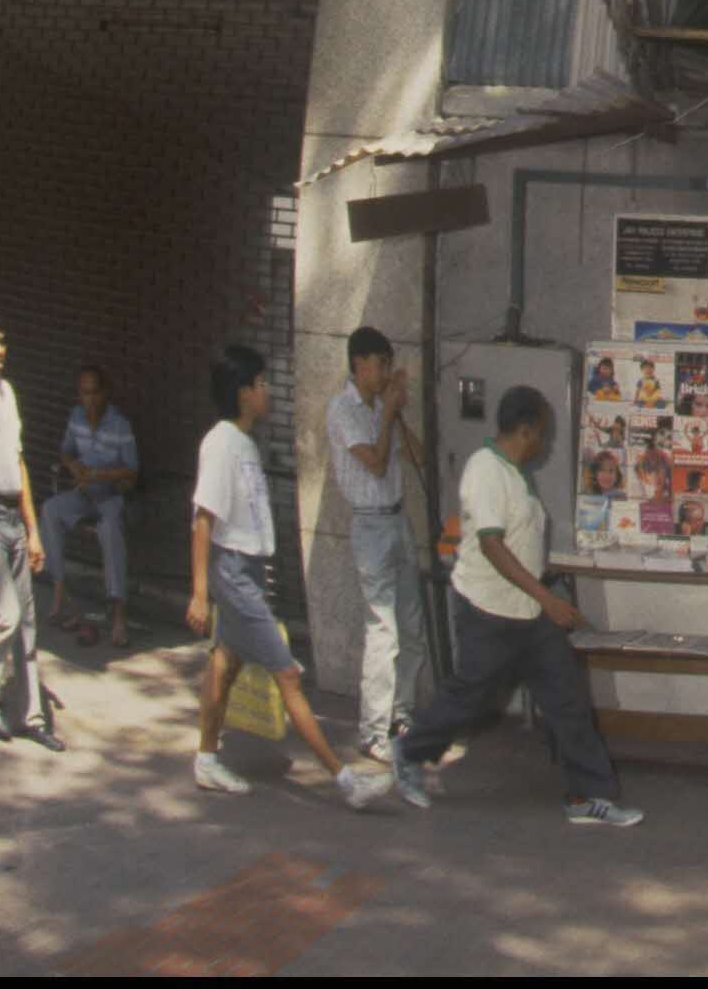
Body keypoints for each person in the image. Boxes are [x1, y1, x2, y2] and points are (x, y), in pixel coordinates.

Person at [388, 385, 643, 825]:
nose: (543, 444)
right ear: (524, 431)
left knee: (567, 700)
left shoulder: (515, 472)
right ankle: (410, 752)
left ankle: (589, 797)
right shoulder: (484, 470)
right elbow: (491, 544)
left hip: (528, 613)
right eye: (541, 434)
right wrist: (548, 598)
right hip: (487, 610)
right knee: (471, 697)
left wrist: (543, 599)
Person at [187, 346, 392, 807]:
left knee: (224, 663)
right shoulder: (221, 444)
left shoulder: (242, 442)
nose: (269, 391)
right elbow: (203, 521)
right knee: (289, 677)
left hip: (248, 571)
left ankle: (205, 759)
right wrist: (200, 593)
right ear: (243, 393)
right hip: (234, 573)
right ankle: (346, 782)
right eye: (262, 383)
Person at [0, 310, 62, 750]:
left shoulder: (7, 392)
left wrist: (34, 529)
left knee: (28, 621)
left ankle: (31, 715)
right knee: (7, 615)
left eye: (2, 342)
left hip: (14, 514)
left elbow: (18, 462)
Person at [325, 326, 426, 762]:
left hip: (397, 517)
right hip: (368, 525)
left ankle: (402, 713)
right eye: (380, 364)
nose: (385, 372)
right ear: (359, 364)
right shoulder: (343, 411)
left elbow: (418, 459)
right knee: (383, 629)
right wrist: (386, 415)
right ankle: (372, 731)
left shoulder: (382, 409)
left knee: (412, 626)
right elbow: (376, 463)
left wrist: (397, 414)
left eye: (389, 365)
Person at [42, 363, 140, 648]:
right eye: (85, 393)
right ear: (79, 395)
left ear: (105, 393)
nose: (91, 399)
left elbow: (132, 471)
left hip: (110, 494)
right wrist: (74, 467)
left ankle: (118, 612)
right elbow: (66, 451)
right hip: (84, 493)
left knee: (110, 530)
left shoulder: (120, 424)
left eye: (95, 393)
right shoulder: (76, 417)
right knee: (50, 510)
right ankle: (60, 591)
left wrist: (99, 474)